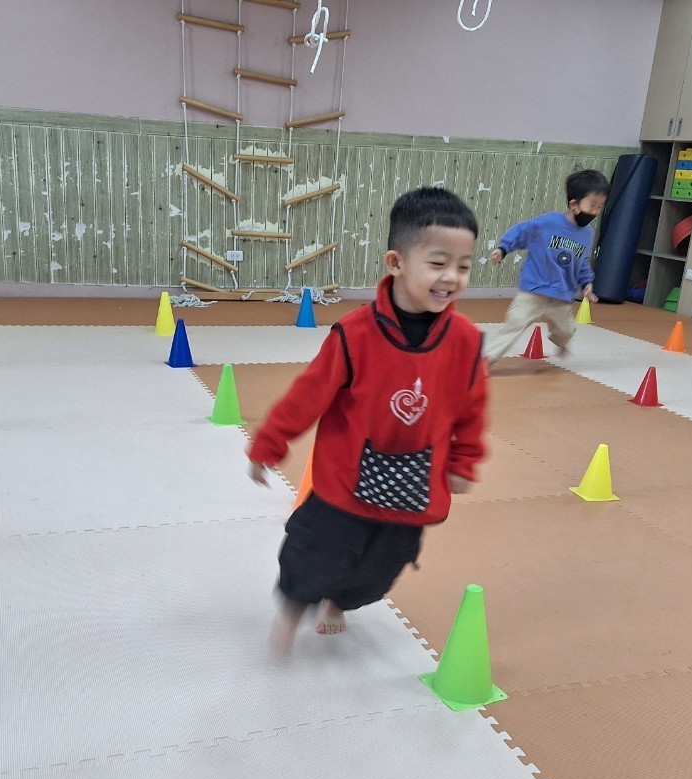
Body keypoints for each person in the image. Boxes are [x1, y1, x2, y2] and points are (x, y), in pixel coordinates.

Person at [247, 187, 489, 653]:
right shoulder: (355, 335)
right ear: (396, 262)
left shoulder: (465, 342)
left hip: (413, 486)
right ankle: (293, 610)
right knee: (313, 552)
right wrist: (268, 445)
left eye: (463, 266)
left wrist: (464, 461)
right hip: (345, 479)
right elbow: (307, 396)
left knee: (379, 569)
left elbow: (472, 410)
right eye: (438, 263)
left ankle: (340, 602)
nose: (451, 278)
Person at [483, 168, 609, 363]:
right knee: (513, 325)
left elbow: (582, 262)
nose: (596, 212)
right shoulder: (548, 223)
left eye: (600, 207)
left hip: (562, 296)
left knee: (566, 332)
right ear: (573, 204)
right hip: (534, 291)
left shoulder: (587, 234)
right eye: (592, 205)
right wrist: (503, 249)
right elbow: (521, 231)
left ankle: (559, 341)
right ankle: (486, 359)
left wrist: (587, 283)